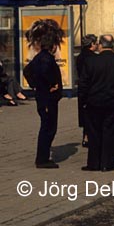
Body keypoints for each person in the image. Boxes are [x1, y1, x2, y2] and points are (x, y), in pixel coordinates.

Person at [79, 34, 114, 172]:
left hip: (94, 103)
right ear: (112, 45)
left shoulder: (91, 61)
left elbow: (83, 84)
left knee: (94, 133)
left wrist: (84, 101)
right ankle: (107, 163)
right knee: (111, 133)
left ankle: (94, 163)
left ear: (100, 45)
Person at [24, 18, 66, 169]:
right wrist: (50, 85)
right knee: (48, 128)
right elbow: (41, 73)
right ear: (53, 46)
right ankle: (42, 159)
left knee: (48, 127)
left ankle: (43, 156)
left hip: (45, 97)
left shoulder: (40, 57)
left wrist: (35, 85)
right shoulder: (46, 59)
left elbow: (27, 71)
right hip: (47, 98)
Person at [75, 34, 98, 147]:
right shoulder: (94, 57)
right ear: (92, 44)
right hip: (92, 88)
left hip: (82, 88)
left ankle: (86, 136)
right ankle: (91, 137)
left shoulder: (80, 56)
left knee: (85, 113)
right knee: (93, 114)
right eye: (96, 43)